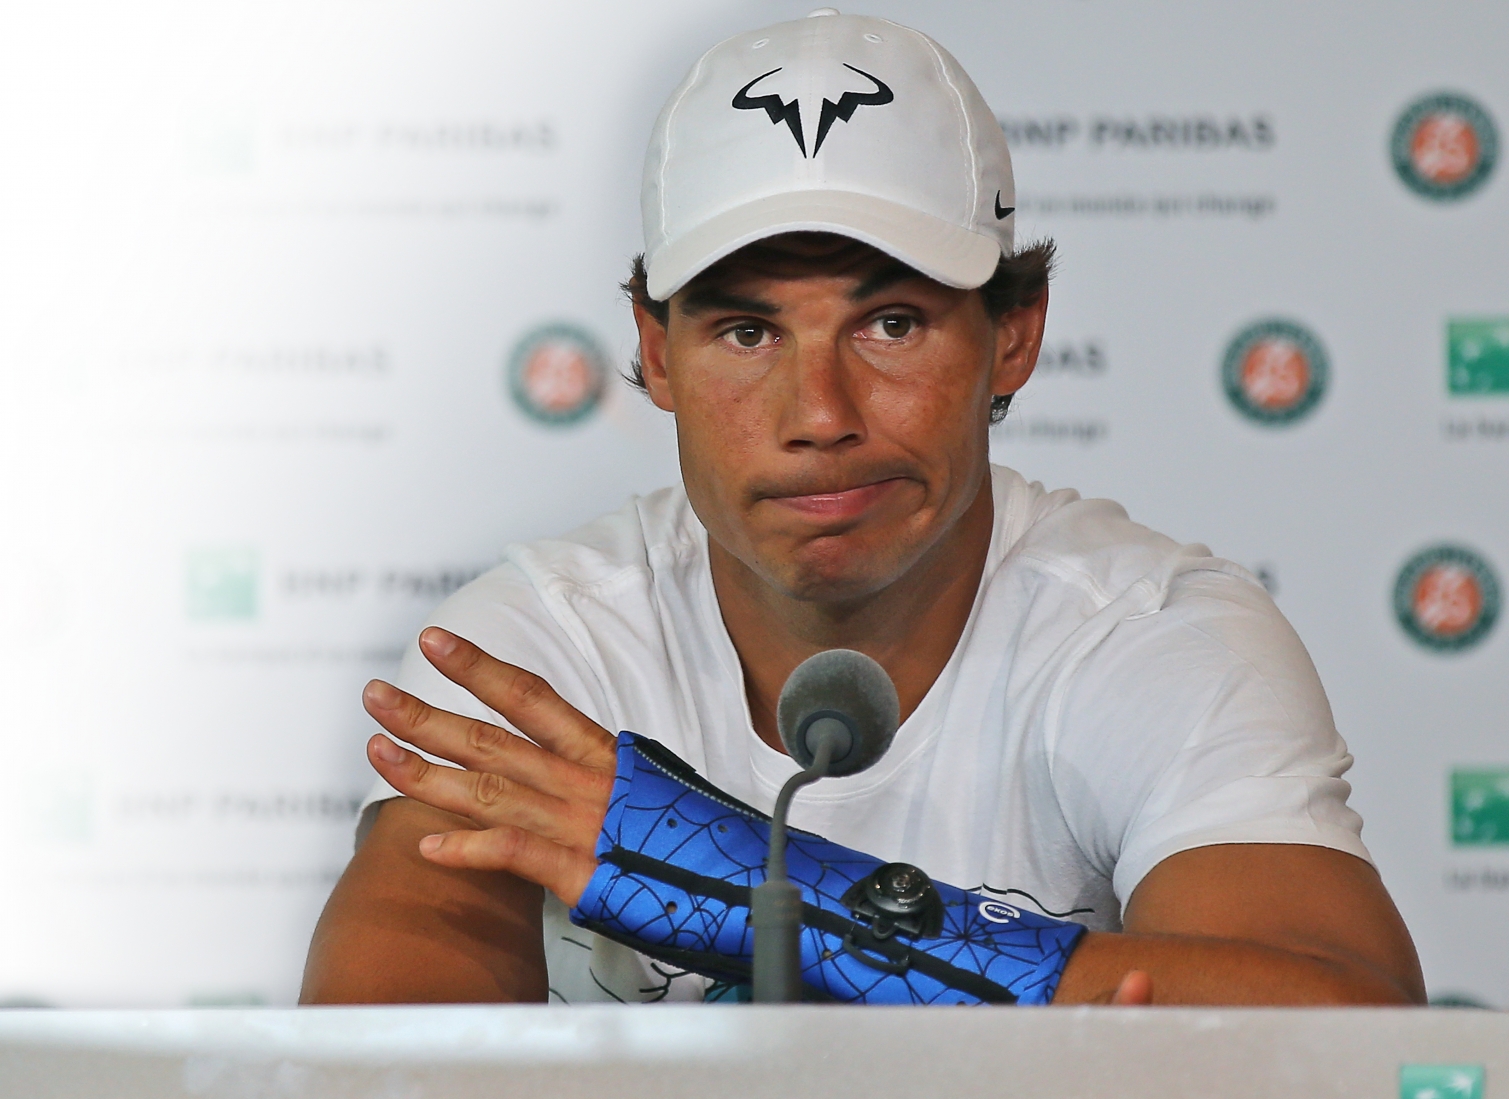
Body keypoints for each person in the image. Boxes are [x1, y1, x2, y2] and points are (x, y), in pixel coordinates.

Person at [300, 10, 1423, 1007]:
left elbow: (1345, 1038)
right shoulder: (545, 650)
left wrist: (730, 882)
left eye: (890, 323)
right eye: (748, 332)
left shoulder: (1145, 629)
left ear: (1015, 335)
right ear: (657, 352)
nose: (821, 413)